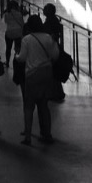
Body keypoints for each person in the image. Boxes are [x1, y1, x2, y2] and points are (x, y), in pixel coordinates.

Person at [16, 15, 59, 145]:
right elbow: (55, 55)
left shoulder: (27, 39)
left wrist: (16, 55)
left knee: (29, 106)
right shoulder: (48, 38)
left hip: (32, 74)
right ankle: (47, 134)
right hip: (46, 73)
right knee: (44, 105)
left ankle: (28, 136)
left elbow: (22, 58)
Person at [42, 3, 65, 102]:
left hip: (50, 48)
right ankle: (57, 92)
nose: (43, 11)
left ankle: (55, 93)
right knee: (53, 70)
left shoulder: (50, 21)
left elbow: (47, 32)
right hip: (53, 46)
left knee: (51, 71)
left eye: (45, 9)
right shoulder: (54, 20)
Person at [2, 0, 24, 68]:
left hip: (9, 32)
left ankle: (7, 62)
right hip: (18, 32)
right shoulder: (19, 14)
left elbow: (6, 22)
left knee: (8, 48)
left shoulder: (6, 14)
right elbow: (22, 23)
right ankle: (17, 62)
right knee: (17, 48)